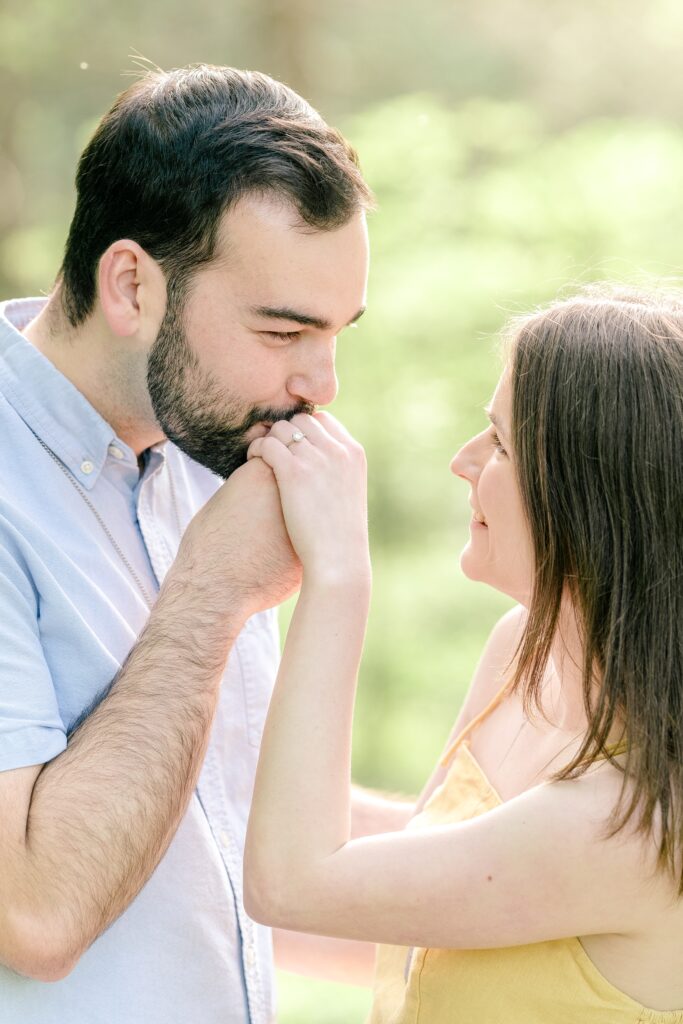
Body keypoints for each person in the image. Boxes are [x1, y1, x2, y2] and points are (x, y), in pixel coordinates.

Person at [0, 64, 411, 1024]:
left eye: (338, 332)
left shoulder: (208, 453)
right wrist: (214, 593)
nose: (323, 383)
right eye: (283, 330)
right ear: (132, 284)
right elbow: (35, 911)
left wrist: (589, 851)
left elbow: (237, 841)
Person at [244, 286, 683, 1022]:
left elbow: (292, 884)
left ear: (591, 496)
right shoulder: (519, 652)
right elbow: (418, 885)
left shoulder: (635, 820)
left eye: (501, 443)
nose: (462, 461)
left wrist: (337, 576)